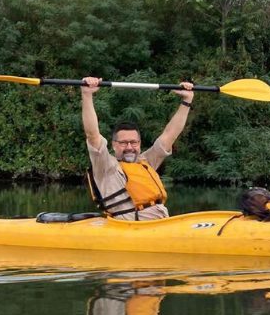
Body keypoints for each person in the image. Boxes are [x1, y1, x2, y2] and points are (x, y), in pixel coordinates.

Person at [81, 76, 194, 221]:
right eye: (123, 143)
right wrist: (87, 95)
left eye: (134, 143)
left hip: (162, 222)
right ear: (114, 145)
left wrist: (187, 101)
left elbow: (170, 134)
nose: (129, 147)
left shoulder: (146, 161)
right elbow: (92, 135)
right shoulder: (105, 166)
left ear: (139, 144)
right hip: (134, 227)